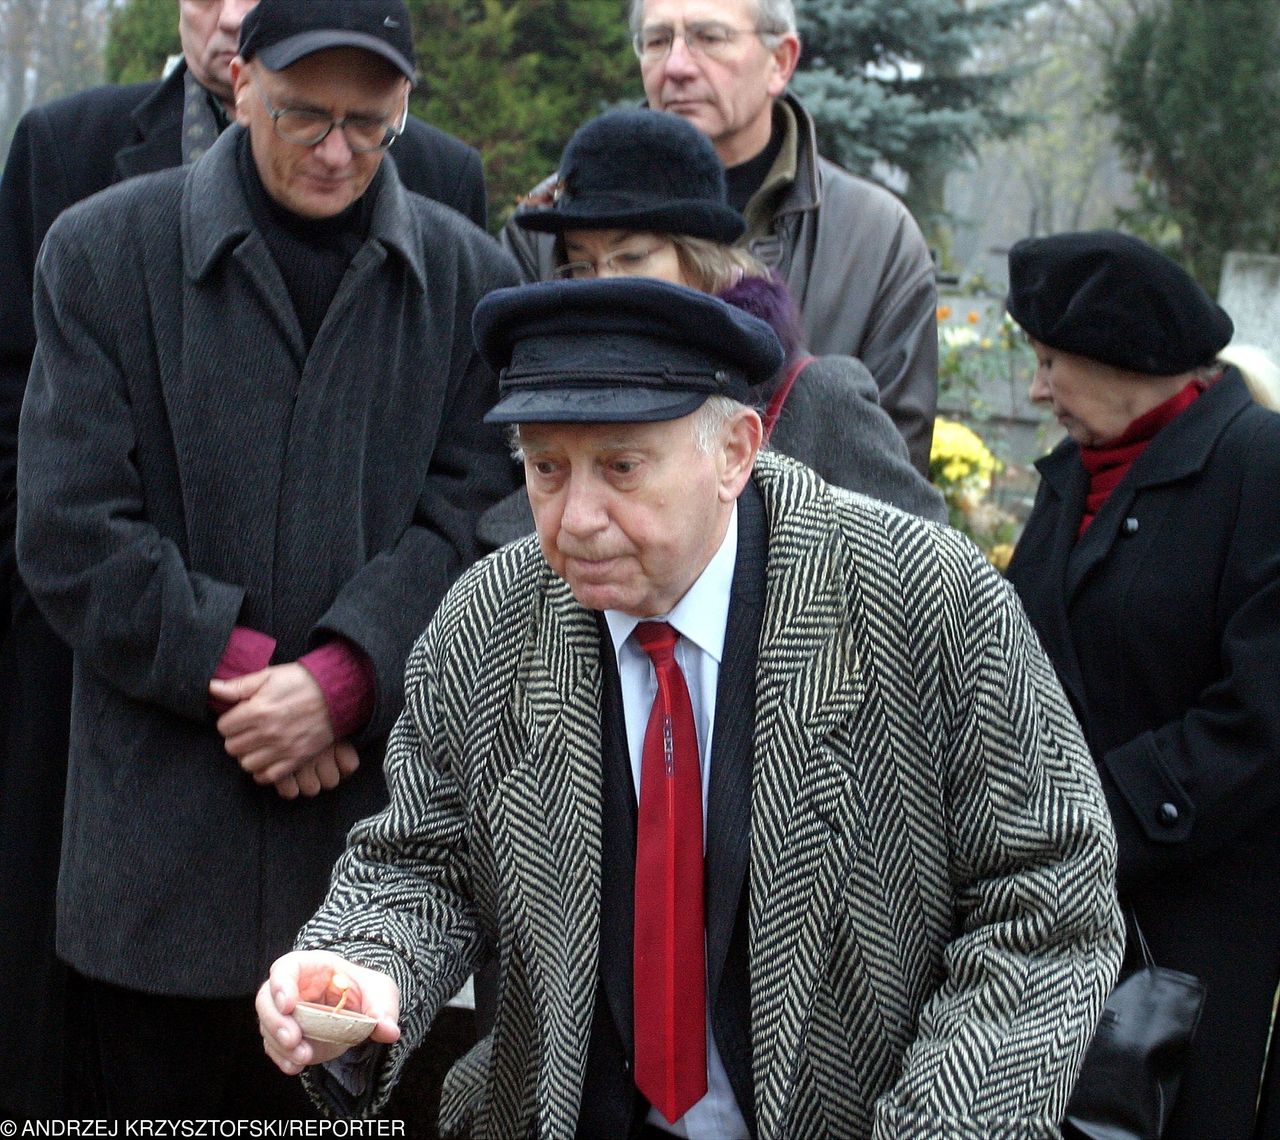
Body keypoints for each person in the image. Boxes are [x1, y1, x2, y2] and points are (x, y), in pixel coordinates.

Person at [258, 276, 1122, 1137]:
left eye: (622, 467)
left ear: (736, 452)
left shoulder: (922, 597)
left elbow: (1049, 895)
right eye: (546, 469)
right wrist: (357, 975)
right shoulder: (489, 619)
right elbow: (425, 858)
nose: (576, 518)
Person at [15, 0, 519, 1116]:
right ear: (239, 85)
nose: (336, 150)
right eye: (303, 116)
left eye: (368, 123)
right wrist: (247, 672)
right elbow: (68, 525)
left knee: (343, 1099)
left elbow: (480, 514)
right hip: (158, 861)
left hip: (369, 865)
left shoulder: (470, 280)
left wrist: (344, 680)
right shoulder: (102, 252)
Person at [1003, 230, 1280, 1140]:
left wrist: (1092, 825)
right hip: (1053, 907)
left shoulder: (1259, 470)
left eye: (1051, 363)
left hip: (1187, 932)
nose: (1038, 390)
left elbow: (1257, 716)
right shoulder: (1075, 474)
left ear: (1126, 362)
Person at [500, 0, 939, 475]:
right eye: (657, 41)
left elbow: (891, 475)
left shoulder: (876, 238)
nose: (677, 66)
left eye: (710, 38)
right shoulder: (545, 223)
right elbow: (501, 448)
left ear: (781, 61)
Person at [478, 108, 944, 553]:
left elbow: (931, 573)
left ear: (704, 264)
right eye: (582, 262)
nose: (603, 284)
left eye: (632, 257)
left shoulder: (819, 398)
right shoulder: (555, 402)